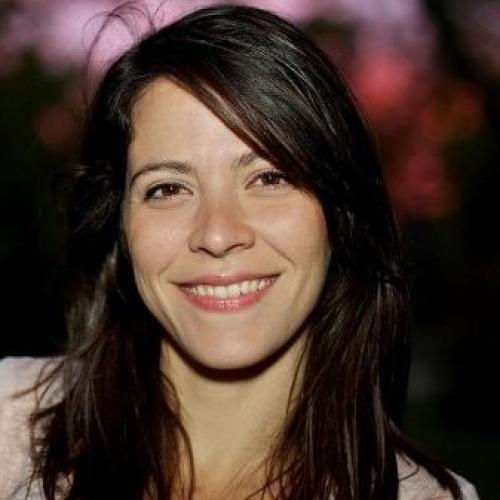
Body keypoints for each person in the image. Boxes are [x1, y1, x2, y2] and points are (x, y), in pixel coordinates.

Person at [0, 4, 480, 500]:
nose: (217, 233)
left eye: (269, 178)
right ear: (119, 224)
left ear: (341, 213)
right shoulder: (9, 425)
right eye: (168, 188)